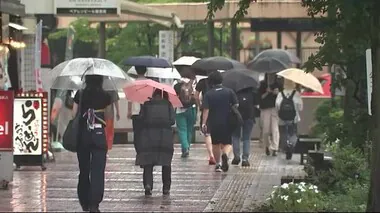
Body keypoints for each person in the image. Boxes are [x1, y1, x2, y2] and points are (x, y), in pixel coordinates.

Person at [72, 75, 112, 212]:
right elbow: (109, 116)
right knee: (98, 170)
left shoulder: (80, 94)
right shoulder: (106, 96)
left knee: (84, 170)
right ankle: (95, 203)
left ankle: (84, 202)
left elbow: (73, 114)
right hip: (99, 135)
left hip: (83, 136)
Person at [136, 89, 175, 196]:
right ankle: (166, 187)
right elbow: (172, 120)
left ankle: (148, 184)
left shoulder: (147, 104)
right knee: (166, 162)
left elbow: (141, 119)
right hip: (164, 137)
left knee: (148, 161)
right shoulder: (168, 104)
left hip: (148, 136)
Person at [201, 71, 239, 172]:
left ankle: (218, 164)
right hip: (227, 121)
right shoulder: (229, 91)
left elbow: (206, 110)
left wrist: (204, 123)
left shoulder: (209, 94)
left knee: (215, 144)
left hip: (214, 122)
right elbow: (236, 105)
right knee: (228, 143)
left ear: (211, 82)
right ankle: (225, 154)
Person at [276, 79, 303, 160]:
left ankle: (285, 148)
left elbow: (277, 106)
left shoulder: (280, 94)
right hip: (293, 119)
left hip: (282, 118)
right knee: (293, 134)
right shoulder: (296, 94)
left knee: (283, 134)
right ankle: (291, 146)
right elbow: (300, 107)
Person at [231, 88, 259, 167]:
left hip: (236, 118)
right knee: (246, 138)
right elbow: (257, 105)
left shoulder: (234, 93)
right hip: (249, 117)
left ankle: (236, 157)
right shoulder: (252, 93)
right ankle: (245, 159)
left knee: (235, 137)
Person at [174, 69, 197, 158]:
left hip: (180, 110)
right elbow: (196, 97)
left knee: (182, 130)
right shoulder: (194, 84)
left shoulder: (176, 84)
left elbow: (173, 97)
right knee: (189, 130)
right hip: (192, 109)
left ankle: (185, 148)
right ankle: (187, 148)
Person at [127, 66, 147, 165]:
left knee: (137, 134)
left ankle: (138, 154)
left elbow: (130, 99)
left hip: (136, 112)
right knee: (146, 134)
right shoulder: (149, 84)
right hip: (147, 113)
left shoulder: (132, 84)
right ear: (145, 71)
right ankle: (144, 155)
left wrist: (129, 111)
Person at [259, 74, 281, 156]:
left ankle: (275, 148)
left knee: (275, 129)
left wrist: (277, 93)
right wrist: (267, 92)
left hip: (274, 108)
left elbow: (281, 96)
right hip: (265, 109)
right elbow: (260, 97)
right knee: (266, 130)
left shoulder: (278, 84)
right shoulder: (262, 84)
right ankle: (267, 146)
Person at [195, 76, 216, 165]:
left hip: (205, 108)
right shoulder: (219, 80)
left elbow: (196, 96)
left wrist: (199, 105)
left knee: (207, 134)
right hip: (218, 110)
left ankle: (211, 155)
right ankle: (219, 154)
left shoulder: (202, 82)